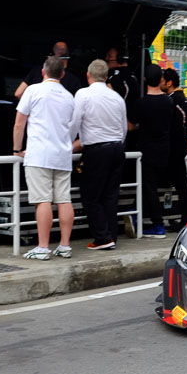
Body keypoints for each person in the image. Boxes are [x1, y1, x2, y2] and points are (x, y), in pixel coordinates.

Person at [13, 56, 77, 260]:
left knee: (43, 201)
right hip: (63, 154)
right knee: (64, 200)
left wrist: (16, 149)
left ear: (43, 72)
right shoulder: (69, 97)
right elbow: (72, 129)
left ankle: (42, 247)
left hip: (39, 154)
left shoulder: (32, 90)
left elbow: (19, 123)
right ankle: (65, 245)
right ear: (63, 73)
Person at [70, 59, 126, 251]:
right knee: (110, 195)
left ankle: (102, 237)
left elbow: (74, 123)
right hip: (117, 148)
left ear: (88, 75)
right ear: (106, 77)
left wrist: (67, 143)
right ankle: (111, 235)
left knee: (90, 196)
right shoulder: (117, 97)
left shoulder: (83, 94)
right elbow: (123, 127)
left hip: (96, 149)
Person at [130, 64, 175, 238]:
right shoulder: (168, 101)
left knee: (149, 187)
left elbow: (130, 125)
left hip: (147, 150)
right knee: (151, 186)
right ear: (161, 80)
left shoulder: (141, 103)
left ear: (145, 80)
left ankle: (158, 224)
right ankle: (134, 211)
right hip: (164, 149)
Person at [161, 68, 187, 227]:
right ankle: (185, 217)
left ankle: (186, 218)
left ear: (169, 83)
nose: (159, 82)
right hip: (180, 146)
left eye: (162, 80)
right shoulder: (181, 98)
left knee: (181, 183)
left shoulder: (173, 100)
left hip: (176, 147)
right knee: (181, 182)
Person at [14, 42, 82, 98]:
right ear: (62, 74)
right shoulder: (69, 90)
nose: (63, 59)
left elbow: (18, 93)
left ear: (43, 72)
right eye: (63, 56)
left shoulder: (32, 87)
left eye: (64, 56)